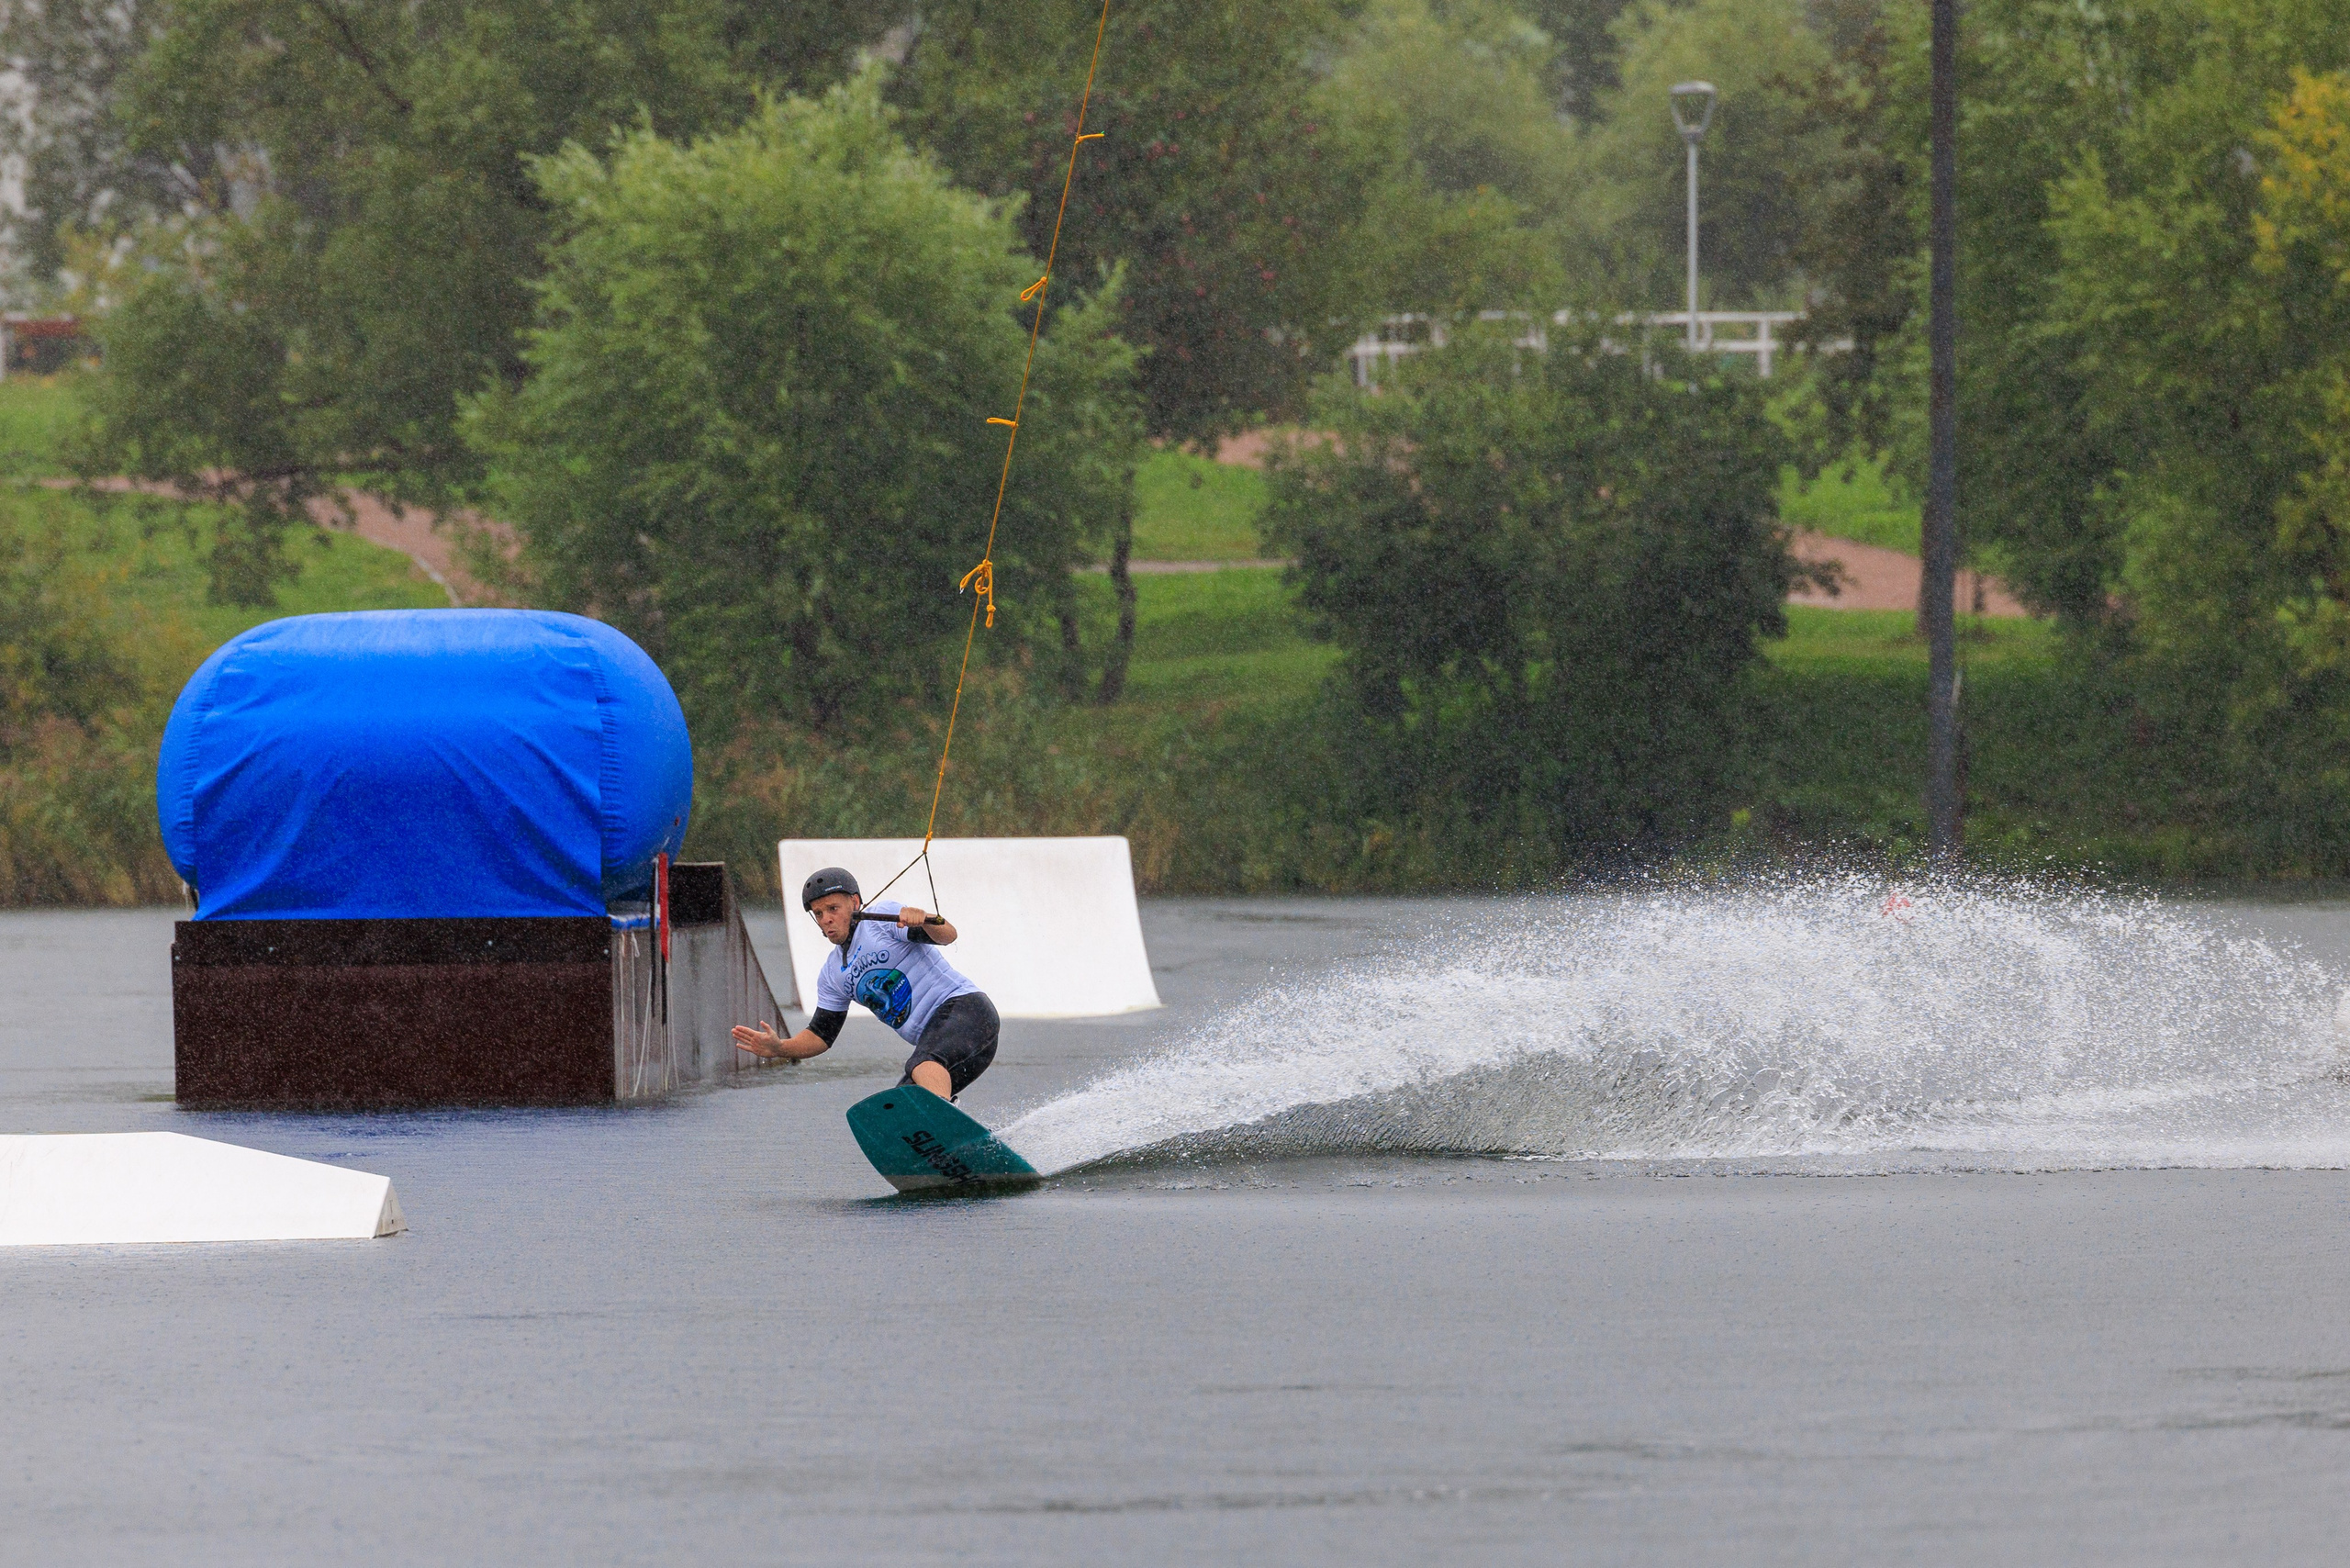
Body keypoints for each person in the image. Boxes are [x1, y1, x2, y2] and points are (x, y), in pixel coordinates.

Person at [732, 867, 1002, 1101]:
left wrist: (928, 920)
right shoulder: (832, 974)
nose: (826, 919)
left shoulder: (881, 921)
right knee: (902, 1108)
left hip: (968, 1012)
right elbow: (821, 1035)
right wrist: (781, 1048)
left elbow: (947, 936)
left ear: (855, 902)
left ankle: (944, 1122)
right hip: (952, 1050)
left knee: (922, 1064)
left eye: (833, 909)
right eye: (819, 913)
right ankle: (954, 1152)